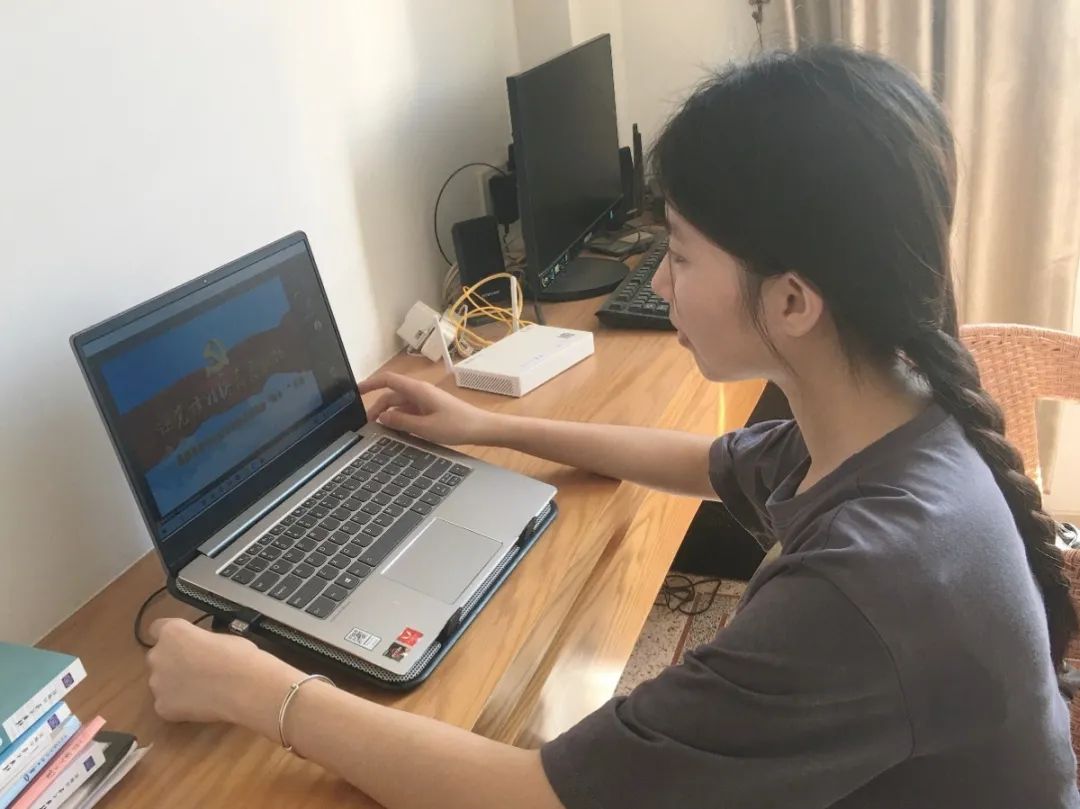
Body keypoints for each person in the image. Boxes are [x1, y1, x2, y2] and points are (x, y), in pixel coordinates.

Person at [145, 45, 1080, 808]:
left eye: (680, 253)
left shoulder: (865, 585)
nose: (660, 280)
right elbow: (708, 460)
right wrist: (487, 427)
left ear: (793, 300)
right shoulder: (887, 407)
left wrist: (257, 688)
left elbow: (528, 797)